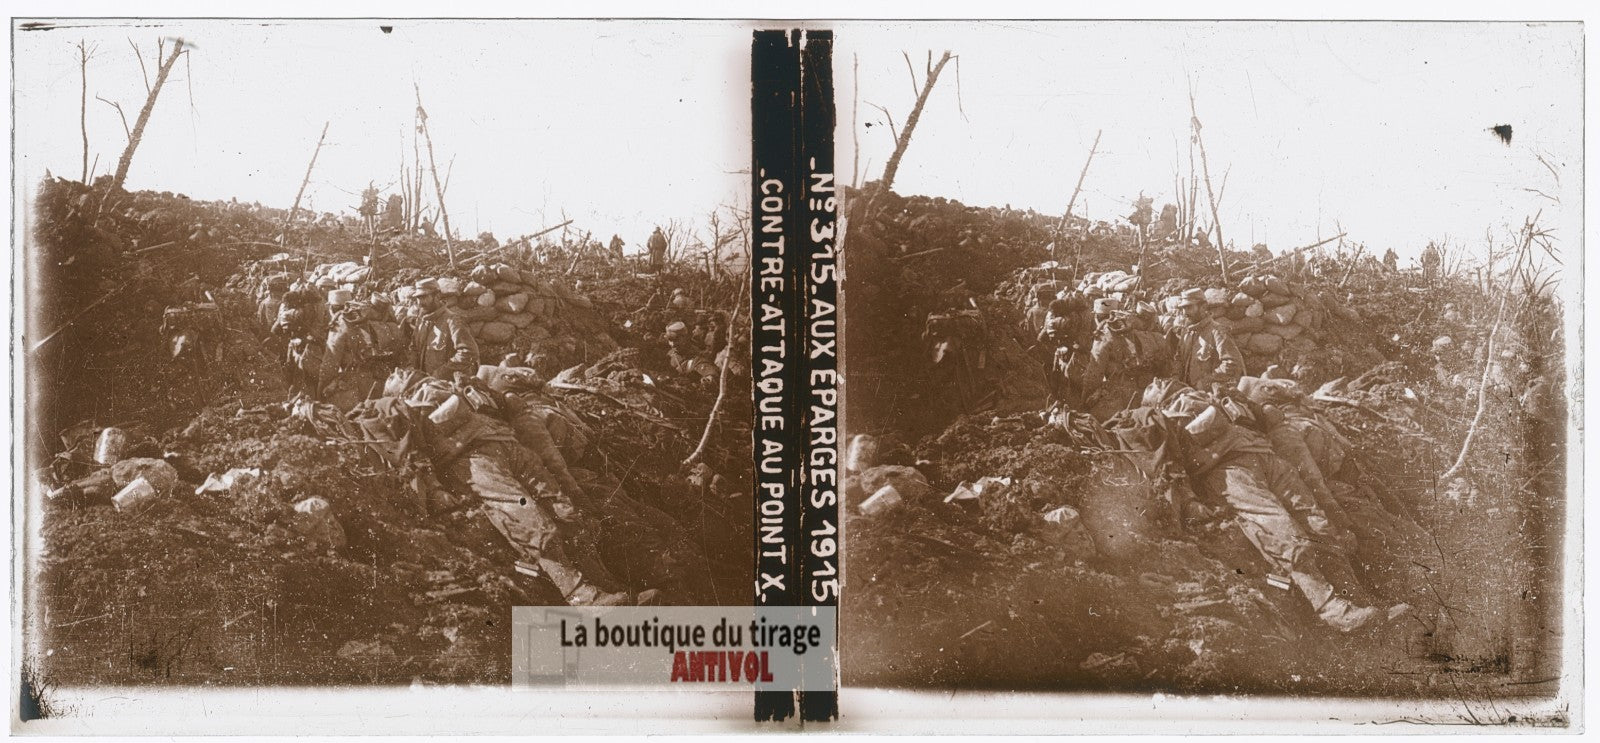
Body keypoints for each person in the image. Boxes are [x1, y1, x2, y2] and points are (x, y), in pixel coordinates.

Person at [319, 291, 388, 410]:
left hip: (355, 384)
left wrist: (321, 389)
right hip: (380, 379)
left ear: (332, 307)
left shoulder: (340, 323)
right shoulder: (370, 317)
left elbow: (330, 363)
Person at [1168, 288, 1243, 394]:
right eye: (1183, 308)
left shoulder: (1217, 331)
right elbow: (1179, 358)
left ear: (1203, 307)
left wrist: (1206, 382)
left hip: (1209, 394)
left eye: (1189, 307)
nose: (1185, 312)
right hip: (1188, 393)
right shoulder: (1186, 332)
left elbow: (1232, 363)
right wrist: (1175, 377)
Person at [409, 278, 480, 380]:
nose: (420, 303)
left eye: (424, 297)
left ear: (437, 296)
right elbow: (414, 347)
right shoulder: (421, 320)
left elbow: (469, 352)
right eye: (418, 298)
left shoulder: (452, 321)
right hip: (427, 382)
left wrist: (441, 373)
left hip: (448, 383)